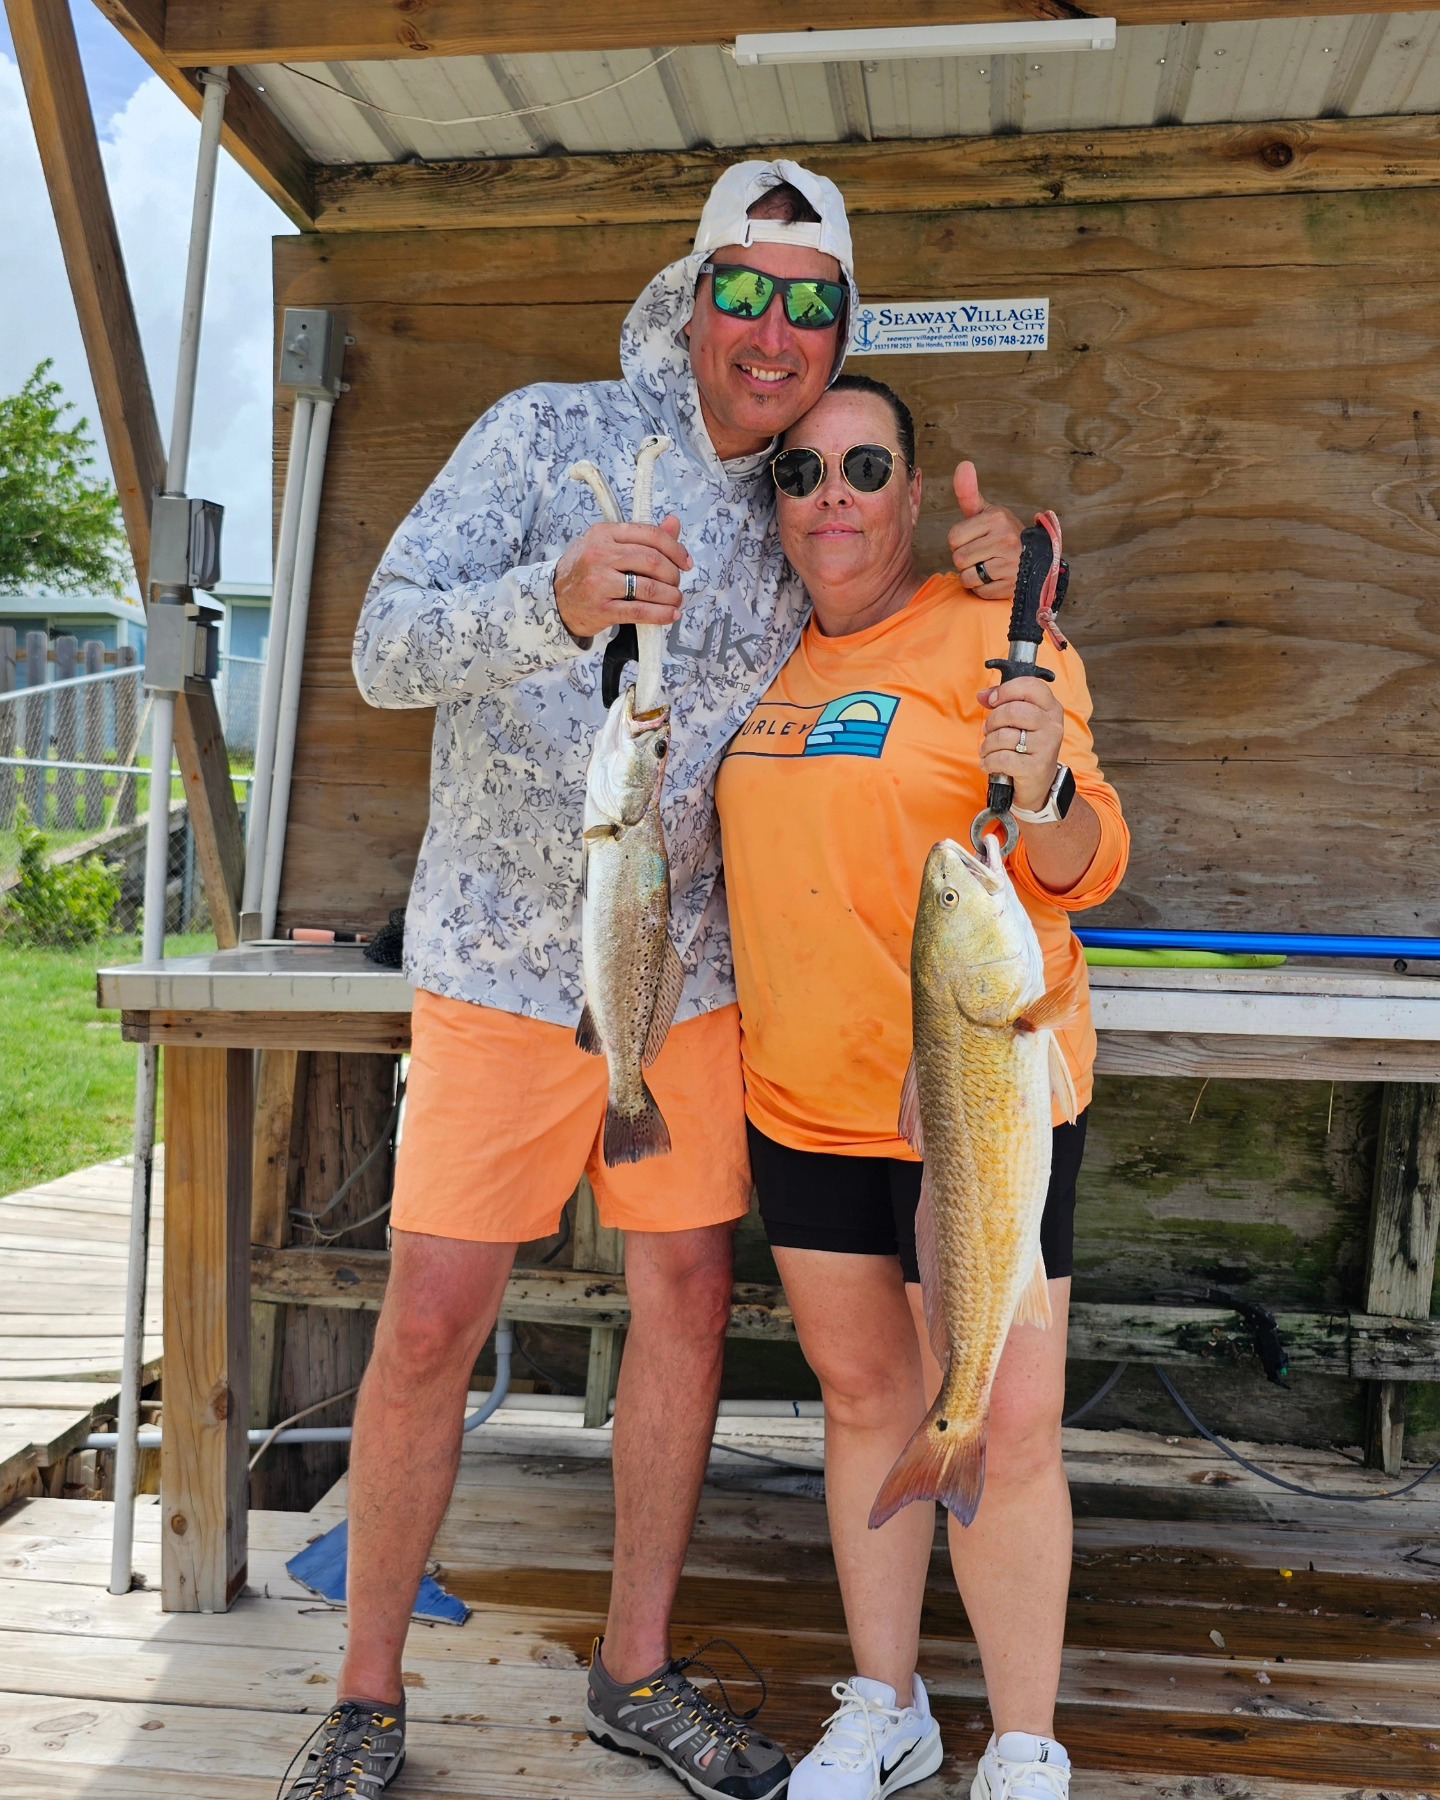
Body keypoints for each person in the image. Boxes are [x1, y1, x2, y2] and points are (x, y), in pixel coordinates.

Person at [284, 163, 1027, 1800]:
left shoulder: (797, 501)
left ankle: (637, 1670)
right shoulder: (537, 433)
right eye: (743, 291)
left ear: (840, 329)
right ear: (690, 300)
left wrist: (998, 578)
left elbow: (887, 639)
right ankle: (362, 1695)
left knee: (687, 1297)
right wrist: (547, 607)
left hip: (688, 981)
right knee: (429, 1318)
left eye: (807, 302)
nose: (772, 332)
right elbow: (380, 648)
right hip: (495, 961)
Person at [715, 373, 1129, 1800]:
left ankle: (1021, 1745)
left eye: (865, 465)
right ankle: (884, 1707)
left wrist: (1046, 792)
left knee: (1006, 1423)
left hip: (984, 1093)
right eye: (800, 473)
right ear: (771, 506)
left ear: (909, 491)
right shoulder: (753, 653)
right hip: (806, 1100)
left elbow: (1088, 862)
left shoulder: (998, 639)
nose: (832, 496)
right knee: (863, 1401)